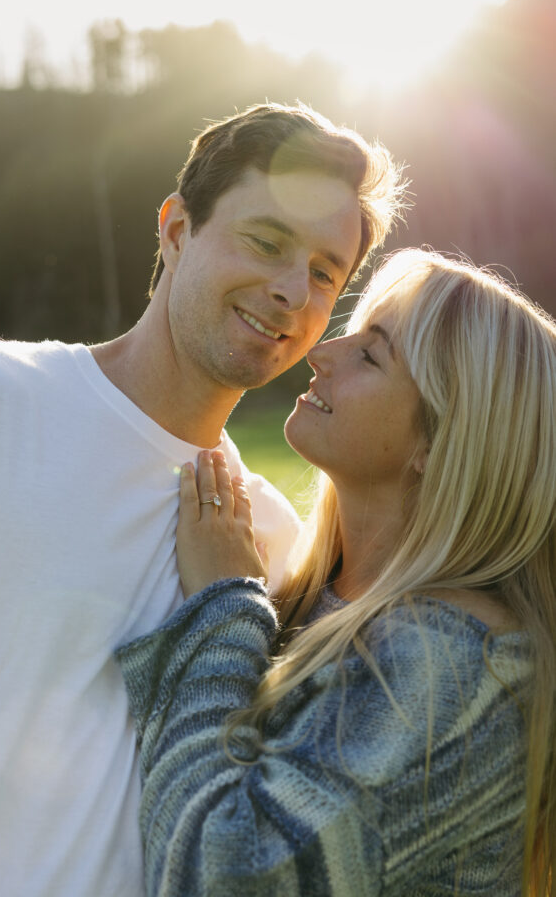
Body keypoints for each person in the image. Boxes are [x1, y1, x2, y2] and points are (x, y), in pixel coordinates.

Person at [0, 103, 405, 897]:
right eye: (265, 242)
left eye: (325, 273)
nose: (292, 290)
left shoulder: (270, 543)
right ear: (176, 229)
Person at [116, 248, 556, 897]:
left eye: (370, 355)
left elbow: (222, 875)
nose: (321, 352)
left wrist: (221, 611)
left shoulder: (453, 669)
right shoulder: (326, 599)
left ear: (437, 446)